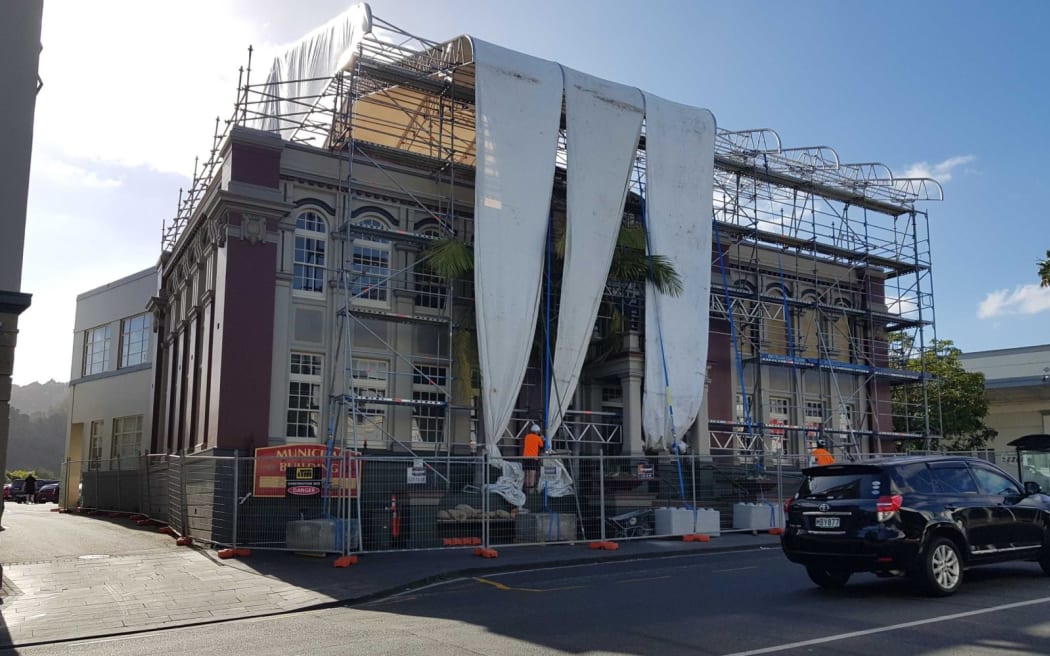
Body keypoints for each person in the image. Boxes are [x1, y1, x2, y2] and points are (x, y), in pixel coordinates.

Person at [522, 424, 544, 491]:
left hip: (525, 457)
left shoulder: (527, 436)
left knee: (527, 473)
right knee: (532, 473)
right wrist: (541, 439)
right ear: (537, 432)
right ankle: (531, 488)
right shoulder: (538, 438)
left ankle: (526, 487)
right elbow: (541, 446)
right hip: (533, 458)